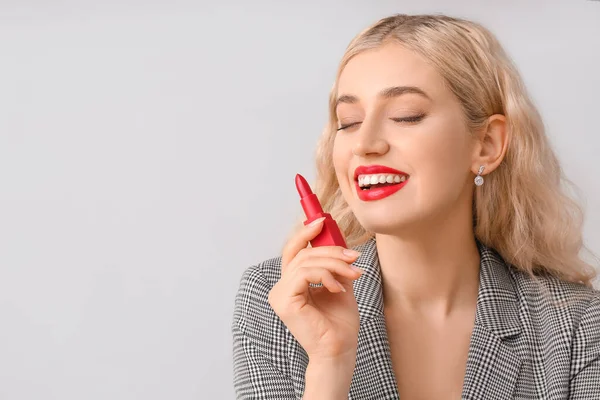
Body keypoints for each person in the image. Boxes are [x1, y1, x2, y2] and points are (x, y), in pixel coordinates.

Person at [231, 13, 600, 399]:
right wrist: (330, 364)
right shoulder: (276, 305)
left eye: (406, 115)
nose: (365, 143)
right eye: (349, 121)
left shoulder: (577, 325)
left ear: (487, 144)